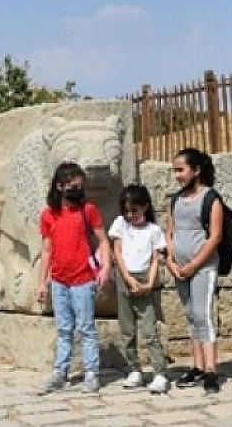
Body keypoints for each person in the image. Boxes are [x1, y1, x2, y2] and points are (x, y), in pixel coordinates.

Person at [33, 162, 110, 394]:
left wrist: (105, 267)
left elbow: (103, 240)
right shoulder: (48, 215)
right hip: (59, 280)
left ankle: (91, 373)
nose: (77, 190)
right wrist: (41, 282)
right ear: (59, 186)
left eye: (79, 186)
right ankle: (60, 371)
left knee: (86, 328)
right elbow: (46, 250)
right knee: (63, 329)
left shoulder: (88, 210)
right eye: (72, 186)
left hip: (83, 278)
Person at [166, 148, 226, 395]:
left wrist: (194, 264)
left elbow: (215, 237)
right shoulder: (175, 200)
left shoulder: (211, 199)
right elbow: (169, 232)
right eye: (175, 170)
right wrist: (171, 261)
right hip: (180, 268)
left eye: (181, 170)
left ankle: (211, 369)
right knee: (191, 315)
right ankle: (198, 365)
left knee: (203, 315)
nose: (177, 175)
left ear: (196, 170)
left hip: (203, 267)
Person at [110, 184, 169, 391]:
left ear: (144, 207)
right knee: (127, 329)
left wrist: (149, 284)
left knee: (149, 329)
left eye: (134, 210)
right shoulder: (120, 225)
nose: (130, 215)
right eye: (126, 211)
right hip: (125, 277)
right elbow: (117, 253)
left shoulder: (154, 230)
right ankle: (134, 368)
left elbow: (156, 259)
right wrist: (128, 278)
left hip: (145, 278)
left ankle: (159, 372)